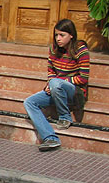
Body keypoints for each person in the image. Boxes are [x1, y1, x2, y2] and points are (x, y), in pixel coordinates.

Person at [23, 18, 90, 151]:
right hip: (56, 88)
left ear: (71, 35)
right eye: (56, 35)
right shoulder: (53, 49)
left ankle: (65, 116)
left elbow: (83, 79)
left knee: (55, 82)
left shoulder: (81, 50)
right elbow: (51, 71)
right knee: (29, 102)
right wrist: (50, 85)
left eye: (62, 35)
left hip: (74, 92)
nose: (58, 38)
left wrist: (58, 82)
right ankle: (50, 138)